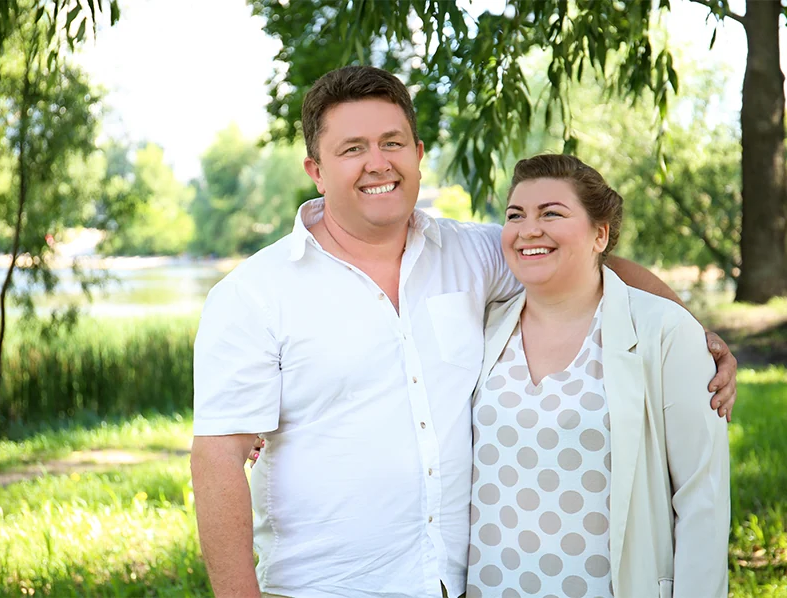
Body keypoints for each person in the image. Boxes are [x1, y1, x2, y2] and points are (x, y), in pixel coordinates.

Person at [190, 65, 737, 598]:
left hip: (457, 581)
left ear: (419, 154)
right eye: (353, 148)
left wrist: (696, 337)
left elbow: (585, 262)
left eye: (392, 142)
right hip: (325, 585)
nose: (378, 163)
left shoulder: (472, 254)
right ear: (316, 169)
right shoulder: (254, 293)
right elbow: (218, 456)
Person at [467, 154, 729, 598]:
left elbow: (702, 499)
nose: (529, 228)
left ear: (600, 234)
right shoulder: (483, 326)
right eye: (516, 215)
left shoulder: (663, 332)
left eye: (552, 213)